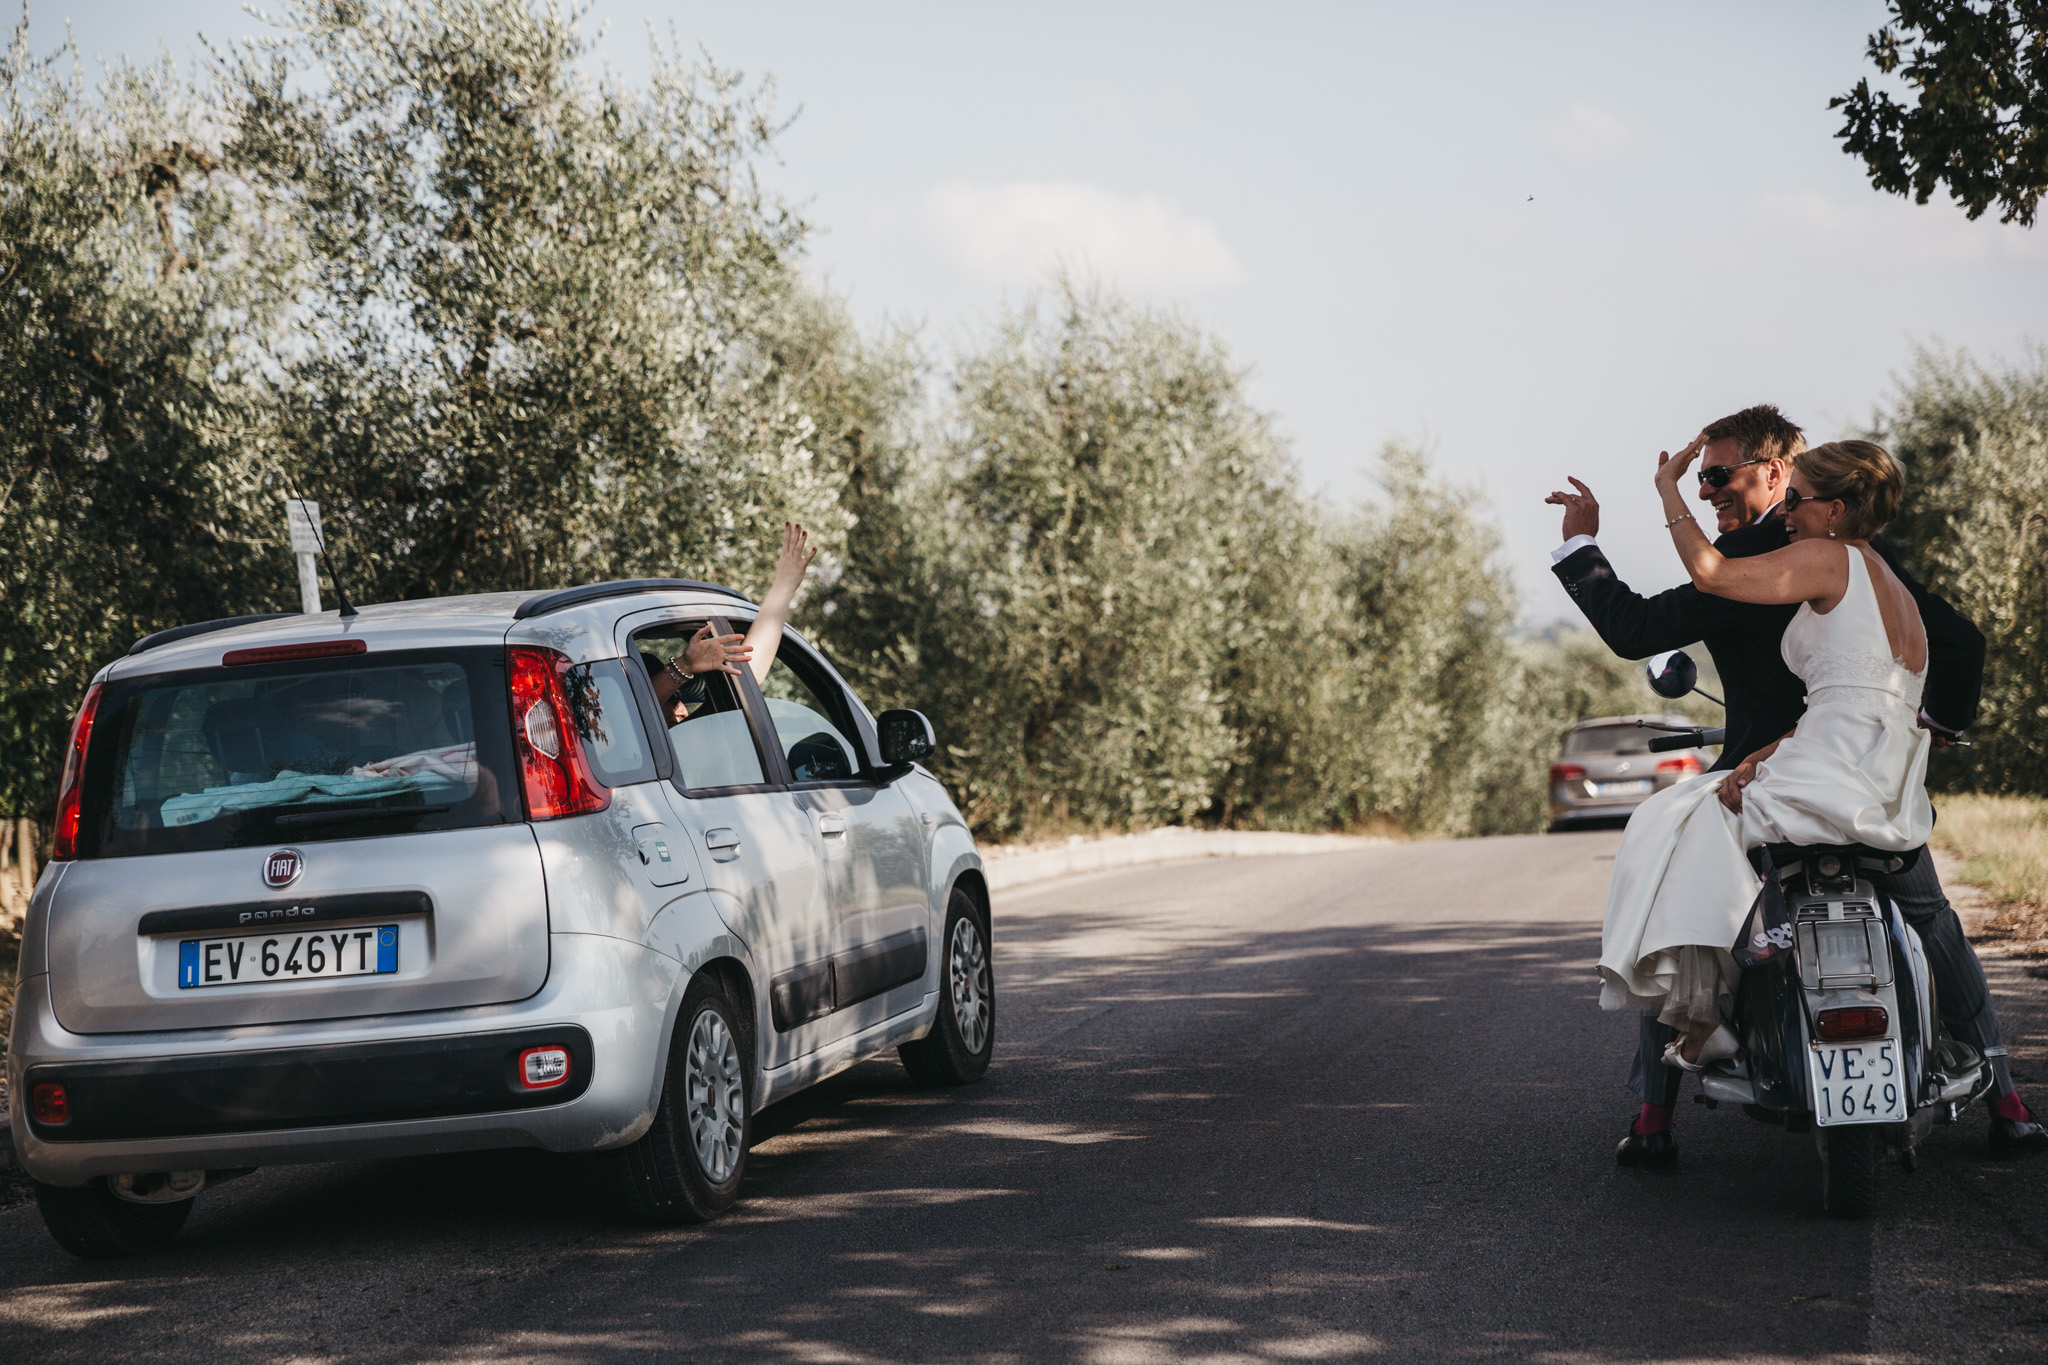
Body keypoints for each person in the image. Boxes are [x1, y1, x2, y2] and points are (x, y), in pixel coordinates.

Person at [1546, 407, 2044, 1165]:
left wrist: (1589, 539)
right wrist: (1928, 723)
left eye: (1720, 473)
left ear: (1781, 475)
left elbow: (1634, 628)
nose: (1710, 487)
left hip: (1789, 774)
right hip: (1869, 773)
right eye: (1702, 476)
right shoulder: (1867, 555)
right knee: (1935, 923)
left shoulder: (1774, 552)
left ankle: (1655, 1112)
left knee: (1671, 870)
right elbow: (1960, 639)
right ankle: (2005, 1097)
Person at [647, 522, 819, 724]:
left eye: (678, 697)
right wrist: (684, 666)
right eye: (673, 697)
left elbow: (747, 675)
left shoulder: (687, 733)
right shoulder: (631, 739)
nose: (682, 710)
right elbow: (637, 712)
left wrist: (784, 587)